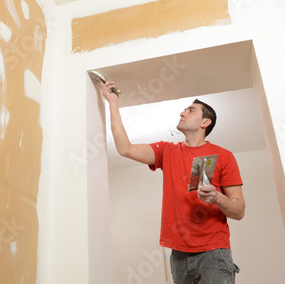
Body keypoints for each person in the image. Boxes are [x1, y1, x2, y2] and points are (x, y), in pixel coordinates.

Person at [101, 80, 245, 284]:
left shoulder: (224, 156)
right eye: (184, 110)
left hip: (214, 252)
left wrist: (217, 197)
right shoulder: (166, 151)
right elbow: (125, 149)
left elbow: (239, 211)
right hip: (178, 254)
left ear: (205, 122)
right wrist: (113, 104)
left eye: (191, 110)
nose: (182, 113)